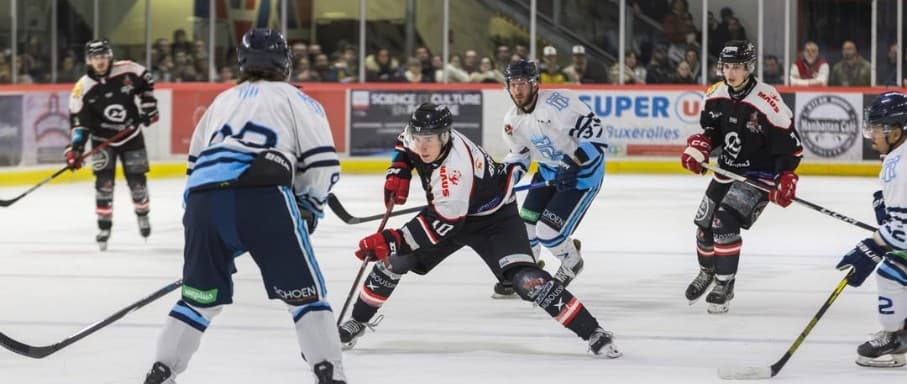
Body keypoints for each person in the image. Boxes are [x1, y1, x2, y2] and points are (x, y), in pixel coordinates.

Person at [336, 102, 621, 359]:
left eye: (429, 141)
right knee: (394, 263)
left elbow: (439, 225)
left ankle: (593, 331)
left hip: (494, 220)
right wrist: (398, 171)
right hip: (453, 211)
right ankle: (357, 321)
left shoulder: (454, 172)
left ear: (445, 136)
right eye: (419, 139)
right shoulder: (422, 137)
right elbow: (404, 144)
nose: (422, 147)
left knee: (528, 281)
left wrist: (390, 240)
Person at [142, 29, 346, 384]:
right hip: (263, 193)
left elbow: (195, 167)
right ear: (285, 62)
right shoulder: (297, 99)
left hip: (203, 201)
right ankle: (329, 373)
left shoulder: (220, 101)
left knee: (198, 299)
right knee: (306, 297)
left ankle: (161, 372)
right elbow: (323, 162)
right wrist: (310, 205)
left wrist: (209, 224)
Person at [680, 40, 803, 314]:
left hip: (758, 175)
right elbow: (712, 131)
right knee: (704, 226)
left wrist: (785, 176)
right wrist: (700, 146)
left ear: (748, 67)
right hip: (728, 168)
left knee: (724, 220)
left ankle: (725, 283)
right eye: (727, 66)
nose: (731, 72)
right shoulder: (714, 94)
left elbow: (791, 147)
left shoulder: (768, 100)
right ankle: (708, 271)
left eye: (737, 66)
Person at [493, 60, 607, 298]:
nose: (517, 90)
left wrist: (574, 162)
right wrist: (506, 181)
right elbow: (519, 155)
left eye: (522, 83)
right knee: (525, 227)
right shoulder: (512, 120)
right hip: (548, 172)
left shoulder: (561, 103)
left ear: (535, 84)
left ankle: (572, 262)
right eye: (513, 84)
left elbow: (598, 136)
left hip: (582, 176)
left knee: (548, 233)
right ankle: (529, 272)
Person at [834, 91, 907, 368]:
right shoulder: (898, 156)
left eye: (879, 128)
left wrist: (872, 247)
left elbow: (903, 234)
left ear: (897, 131)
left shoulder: (900, 165)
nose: (873, 134)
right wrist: (887, 208)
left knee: (891, 272)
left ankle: (895, 337)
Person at [66, 39, 159, 250]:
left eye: (103, 56)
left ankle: (142, 214)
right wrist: (76, 148)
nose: (100, 61)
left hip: (131, 135)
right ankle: (104, 226)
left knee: (138, 183)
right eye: (95, 57)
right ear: (88, 60)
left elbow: (146, 80)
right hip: (102, 140)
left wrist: (148, 106)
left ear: (109, 56)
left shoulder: (127, 70)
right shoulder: (82, 89)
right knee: (104, 185)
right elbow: (79, 123)